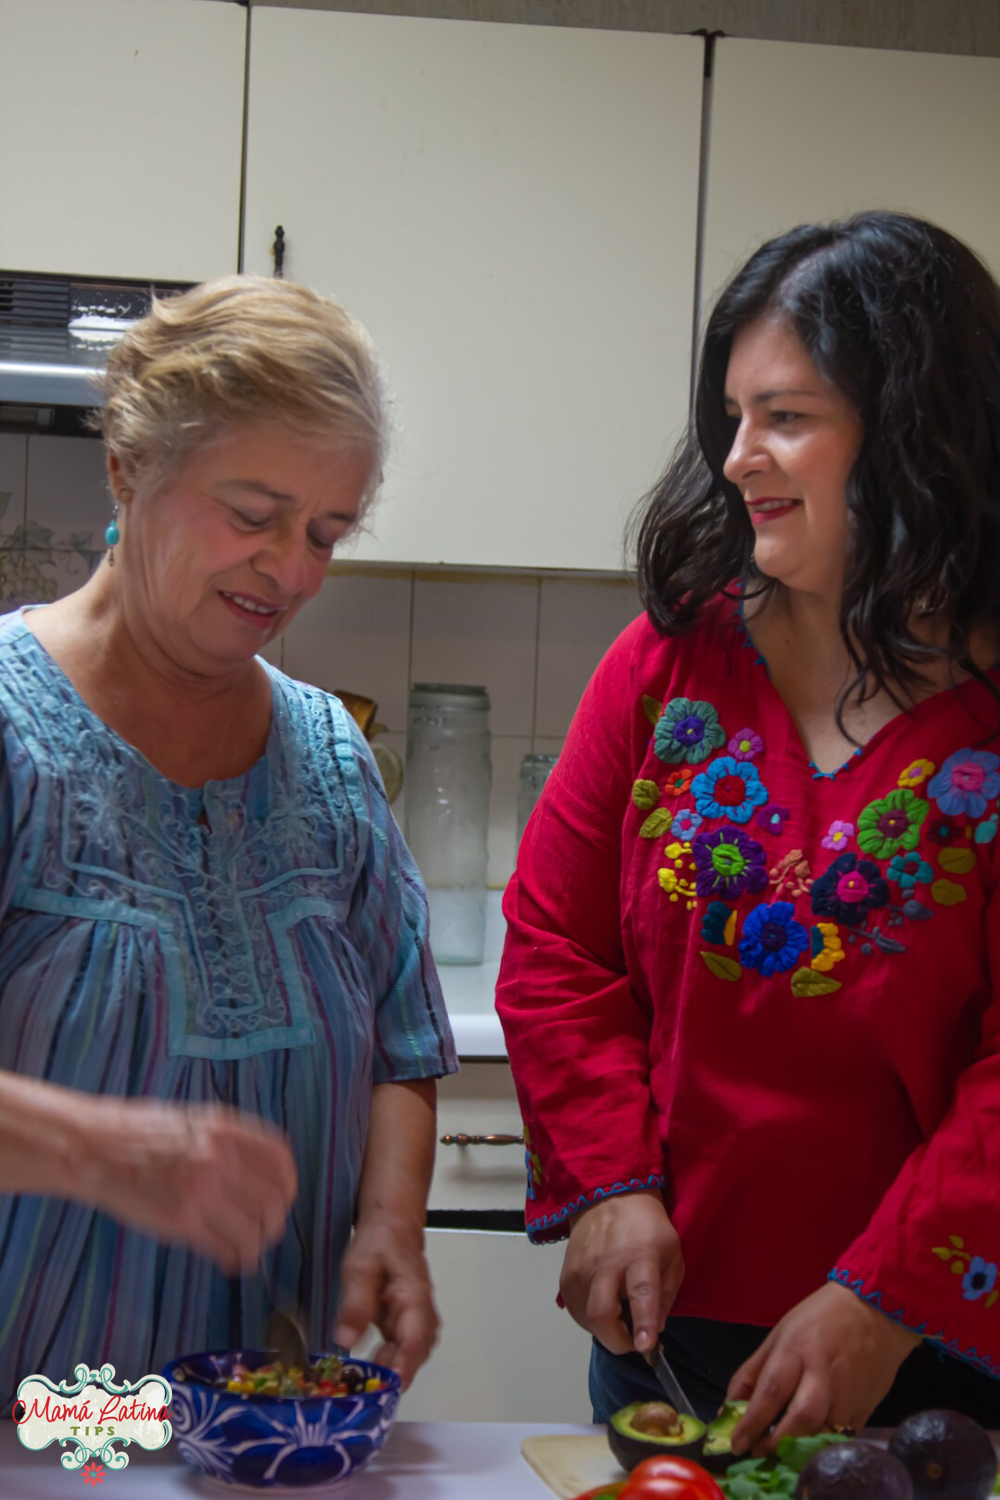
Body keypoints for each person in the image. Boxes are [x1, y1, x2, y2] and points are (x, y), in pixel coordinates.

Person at [496, 211, 1000, 1449]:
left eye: (785, 417)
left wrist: (884, 1300)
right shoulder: (667, 664)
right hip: (670, 1338)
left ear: (918, 438)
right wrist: (610, 1184)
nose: (735, 457)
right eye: (731, 416)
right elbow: (555, 947)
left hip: (943, 1349)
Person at [0, 275, 457, 1411]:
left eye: (326, 532)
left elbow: (403, 1046)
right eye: (252, 516)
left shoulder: (333, 763)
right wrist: (98, 1150)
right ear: (129, 471)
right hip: (38, 1433)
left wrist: (390, 1228)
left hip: (273, 1432)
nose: (291, 570)